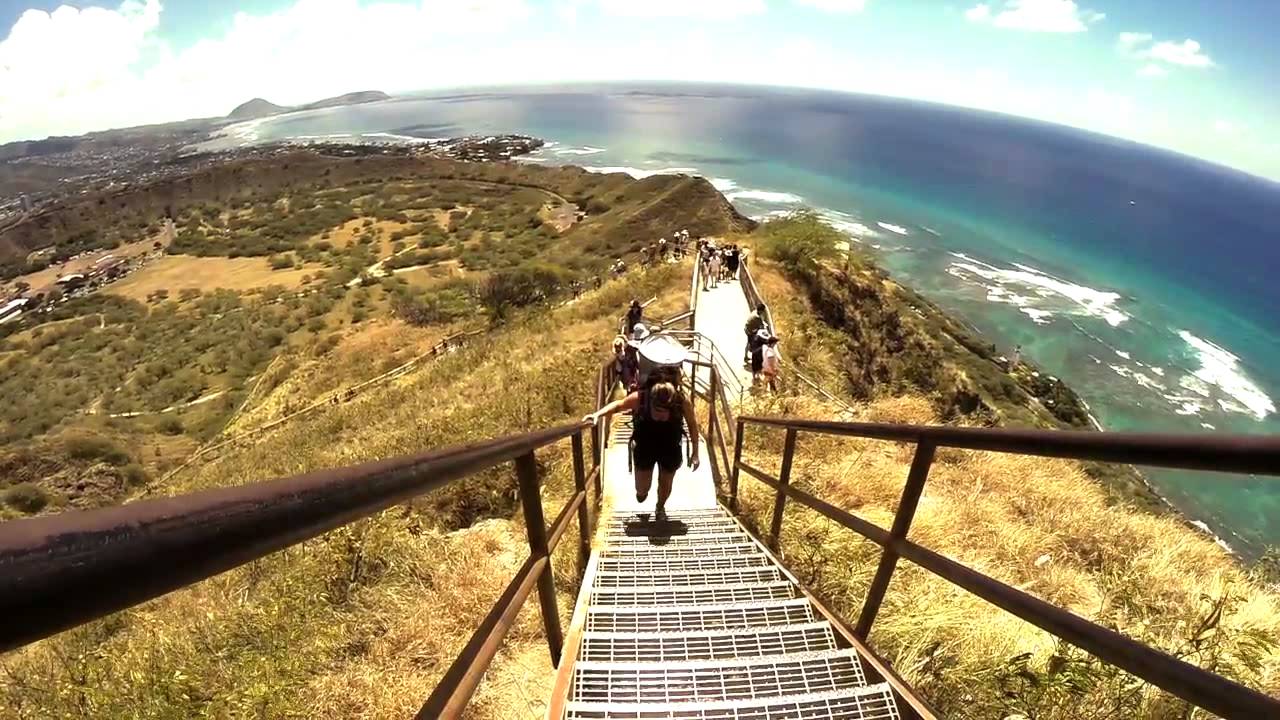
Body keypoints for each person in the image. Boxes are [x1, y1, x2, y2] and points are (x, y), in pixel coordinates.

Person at [584, 367, 700, 519]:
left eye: (665, 411)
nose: (661, 415)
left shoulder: (681, 402)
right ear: (651, 400)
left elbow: (692, 425)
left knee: (666, 484)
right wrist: (597, 415)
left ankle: (660, 507)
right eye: (657, 410)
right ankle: (642, 492)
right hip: (645, 444)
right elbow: (619, 405)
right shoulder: (641, 398)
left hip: (670, 446)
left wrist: (695, 453)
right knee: (642, 488)